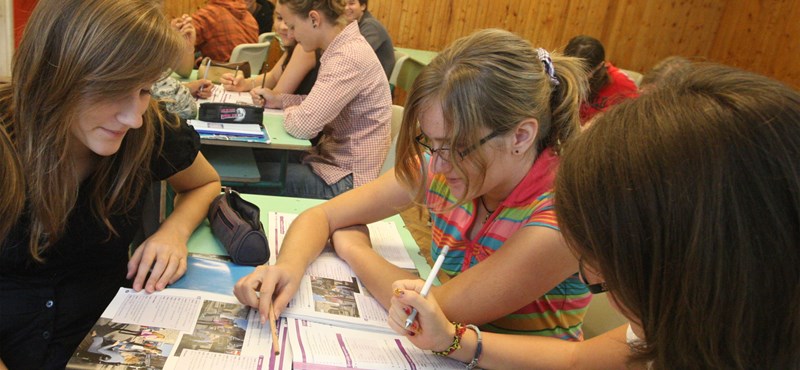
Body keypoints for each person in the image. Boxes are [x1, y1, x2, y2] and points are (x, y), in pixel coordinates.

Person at [387, 64, 800, 369]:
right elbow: (579, 359)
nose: (593, 278)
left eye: (609, 265)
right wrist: (455, 341)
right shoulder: (696, 319)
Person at [235, 28, 592, 341]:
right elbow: (321, 217)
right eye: (431, 144)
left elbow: (435, 311)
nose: (436, 164)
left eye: (455, 147)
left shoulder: (560, 216)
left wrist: (354, 247)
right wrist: (287, 268)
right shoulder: (447, 167)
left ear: (521, 135)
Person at [0, 0, 222, 368]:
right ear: (56, 74)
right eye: (114, 89)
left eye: (145, 90)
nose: (133, 117)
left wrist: (173, 231)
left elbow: (205, 183)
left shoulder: (146, 131)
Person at [249, 0, 391, 199]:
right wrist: (280, 101)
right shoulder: (340, 48)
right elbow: (316, 102)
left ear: (314, 19)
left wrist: (291, 111)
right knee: (250, 158)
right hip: (331, 163)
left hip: (347, 179)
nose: (292, 34)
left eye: (293, 26)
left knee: (250, 177)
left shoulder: (347, 57)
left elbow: (302, 125)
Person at [221, 3, 320, 96]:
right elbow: (273, 76)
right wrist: (244, 84)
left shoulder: (305, 48)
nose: (283, 27)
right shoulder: (294, 45)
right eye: (280, 18)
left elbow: (278, 96)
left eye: (289, 22)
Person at [564, 35, 639, 124]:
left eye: (582, 73)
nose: (575, 76)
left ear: (599, 66)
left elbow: (633, 121)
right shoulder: (561, 72)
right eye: (571, 69)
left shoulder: (623, 85)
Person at [175, 0, 259, 72]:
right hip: (246, 78)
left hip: (221, 78)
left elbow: (179, 44)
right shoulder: (250, 18)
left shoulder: (209, 14)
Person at [344, 0, 395, 79]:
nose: (346, 8)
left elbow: (355, 56)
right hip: (363, 77)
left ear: (363, 6)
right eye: (344, 4)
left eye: (351, 3)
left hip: (375, 84)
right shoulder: (354, 24)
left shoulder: (371, 25)